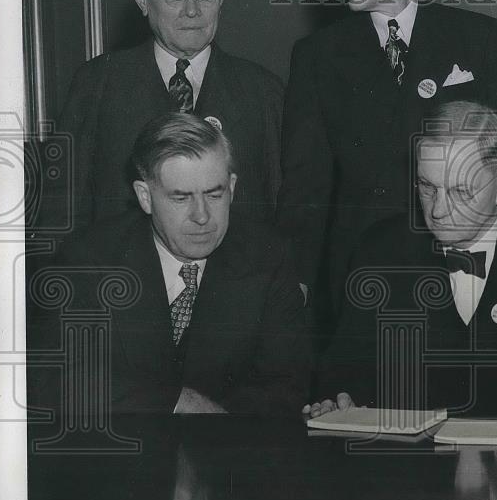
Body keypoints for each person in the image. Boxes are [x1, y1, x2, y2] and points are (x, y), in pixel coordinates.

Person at [277, 0, 497, 326]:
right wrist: (296, 281)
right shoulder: (317, 55)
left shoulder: (479, 37)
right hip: (360, 276)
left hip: (458, 264)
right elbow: (304, 185)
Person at [305, 101, 497, 420]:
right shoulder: (380, 250)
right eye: (427, 188)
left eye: (460, 192)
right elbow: (344, 366)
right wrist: (336, 399)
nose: (438, 211)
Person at [30, 113, 311, 417]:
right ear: (145, 197)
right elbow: (52, 378)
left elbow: (288, 385)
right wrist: (177, 402)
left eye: (214, 194)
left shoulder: (267, 257)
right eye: (181, 198)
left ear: (231, 187)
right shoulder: (90, 258)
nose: (202, 216)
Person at [38, 0, 283, 235]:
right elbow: (61, 211)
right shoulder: (98, 84)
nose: (192, 10)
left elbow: (282, 213)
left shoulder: (262, 91)